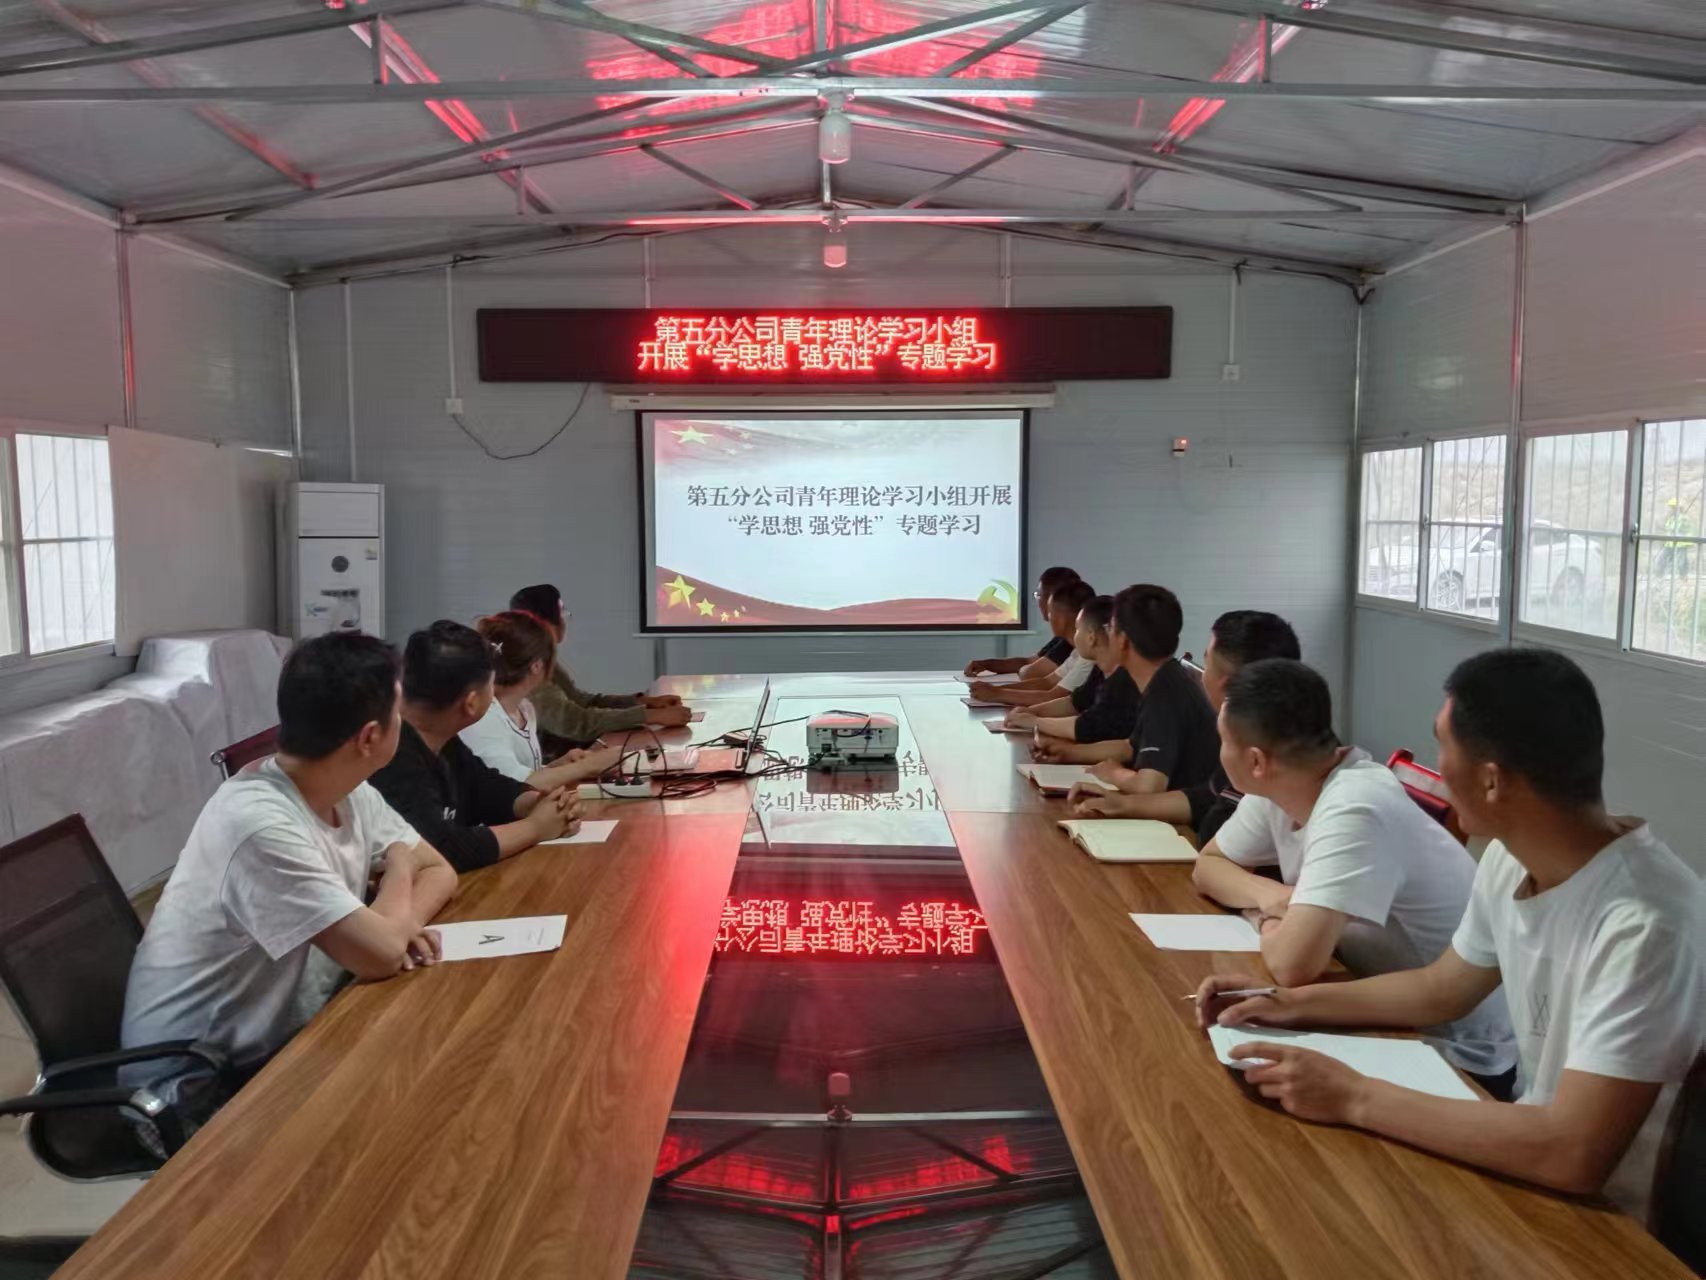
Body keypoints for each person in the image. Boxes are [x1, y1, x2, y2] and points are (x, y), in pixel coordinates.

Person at [1196, 649, 1703, 1218]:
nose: (1433, 768)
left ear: (1491, 780)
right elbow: (1442, 989)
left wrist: (1353, 1095)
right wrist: (1286, 1004)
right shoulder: (1511, 860)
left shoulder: (1645, 922)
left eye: (1443, 745)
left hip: (1611, 1218)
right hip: (1524, 1147)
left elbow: (1573, 1151)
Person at [121, 633, 459, 1143]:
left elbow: (440, 871)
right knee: (413, 1122)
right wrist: (397, 870)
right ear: (370, 736)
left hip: (280, 1041)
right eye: (398, 711)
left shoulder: (347, 788)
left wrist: (398, 917)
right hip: (194, 1090)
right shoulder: (258, 823)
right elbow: (383, 954)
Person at [1190, 657, 1516, 1082]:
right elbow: (1209, 866)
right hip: (1367, 997)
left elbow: (1292, 965)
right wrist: (1272, 898)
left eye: (1223, 740)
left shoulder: (1355, 806)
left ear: (1255, 761)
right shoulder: (1282, 784)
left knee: (1238, 1073)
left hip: (1456, 1050)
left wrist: (1266, 919)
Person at [1069, 610, 1299, 847]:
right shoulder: (1263, 735)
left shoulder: (1260, 759)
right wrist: (1123, 804)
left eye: (1206, 661)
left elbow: (1215, 846)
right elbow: (1207, 797)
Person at [369, 621, 582, 872]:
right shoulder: (390, 755)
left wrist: (540, 804)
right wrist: (535, 828)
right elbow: (438, 848)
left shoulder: (443, 738)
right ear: (471, 703)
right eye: (491, 685)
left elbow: (486, 788)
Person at [1032, 585, 1219, 795]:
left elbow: (1149, 786)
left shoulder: (1164, 695)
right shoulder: (1163, 677)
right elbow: (1129, 747)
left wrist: (1114, 774)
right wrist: (1069, 753)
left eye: (1110, 627)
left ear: (1123, 640)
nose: (1106, 634)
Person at [509, 583, 691, 747]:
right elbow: (574, 722)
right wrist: (649, 716)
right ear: (547, 622)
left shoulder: (544, 659)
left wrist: (644, 703)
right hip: (557, 762)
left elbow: (583, 702)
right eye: (562, 612)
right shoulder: (528, 668)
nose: (566, 619)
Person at [460, 610, 622, 787]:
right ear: (537, 666)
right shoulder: (484, 717)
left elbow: (526, 773)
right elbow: (513, 786)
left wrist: (561, 765)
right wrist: (587, 767)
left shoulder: (525, 709)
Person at [1004, 594, 1139, 744]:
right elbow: (1074, 703)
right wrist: (1032, 711)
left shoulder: (1124, 679)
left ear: (1091, 637)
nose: (1074, 637)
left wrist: (1035, 722)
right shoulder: (1100, 669)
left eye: (1077, 629)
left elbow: (1087, 727)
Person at [969, 580, 1098, 707]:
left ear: (1061, 619)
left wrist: (997, 693)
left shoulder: (1089, 655)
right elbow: (1047, 682)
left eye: (1051, 613)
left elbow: (1054, 696)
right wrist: (994, 690)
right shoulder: (1077, 652)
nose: (1048, 618)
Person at [962, 566, 1080, 679]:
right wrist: (986, 664)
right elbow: (1030, 661)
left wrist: (996, 690)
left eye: (1038, 595)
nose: (1038, 602)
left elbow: (1031, 673)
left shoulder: (1074, 637)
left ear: (1052, 599)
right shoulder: (1065, 635)